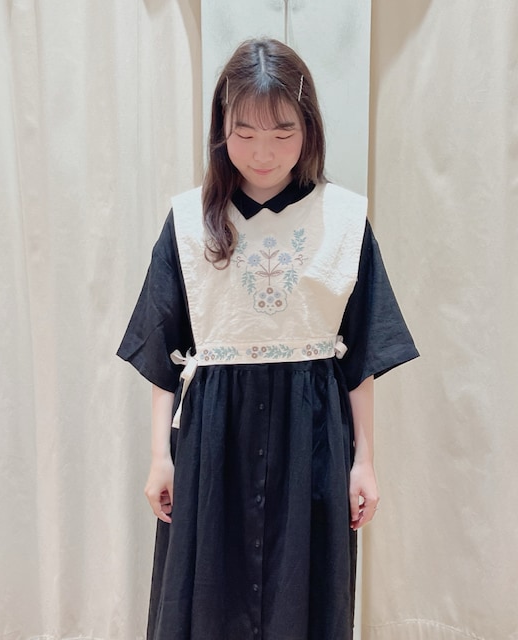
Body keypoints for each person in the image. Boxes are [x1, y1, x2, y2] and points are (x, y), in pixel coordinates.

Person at [118, 37, 419, 640]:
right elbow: (163, 350)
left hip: (311, 439)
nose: (263, 152)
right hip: (212, 440)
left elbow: (361, 355)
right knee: (207, 602)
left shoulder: (344, 219)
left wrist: (364, 462)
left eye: (283, 132)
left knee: (304, 602)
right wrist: (159, 458)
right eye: (245, 132)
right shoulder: (188, 222)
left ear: (309, 130)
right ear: (221, 129)